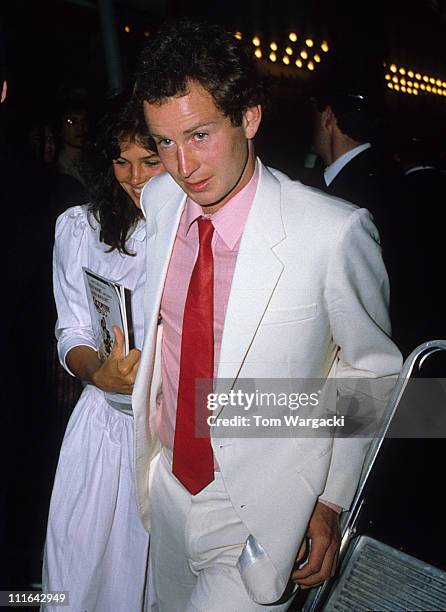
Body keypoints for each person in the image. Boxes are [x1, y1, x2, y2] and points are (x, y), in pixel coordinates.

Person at [131, 19, 402, 611]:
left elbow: (374, 371)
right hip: (169, 489)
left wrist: (331, 499)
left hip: (263, 508)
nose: (183, 165)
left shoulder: (331, 234)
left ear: (248, 117)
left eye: (200, 135)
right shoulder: (158, 200)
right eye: (165, 142)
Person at [41, 94, 164, 611]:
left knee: (145, 585)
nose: (135, 177)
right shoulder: (81, 228)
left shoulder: (191, 228)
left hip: (164, 438)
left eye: (149, 161)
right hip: (99, 431)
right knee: (73, 579)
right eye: (122, 162)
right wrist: (97, 372)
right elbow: (70, 330)